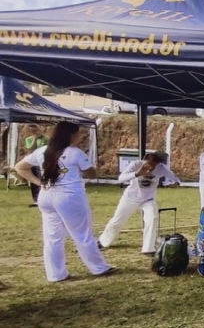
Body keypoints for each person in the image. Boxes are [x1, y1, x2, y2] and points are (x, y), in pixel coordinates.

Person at [14, 121, 117, 282]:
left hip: (47, 195)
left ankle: (55, 274)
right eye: (78, 134)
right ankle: (98, 267)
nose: (80, 137)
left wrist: (38, 182)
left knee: (52, 237)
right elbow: (91, 174)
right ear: (71, 135)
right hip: (69, 196)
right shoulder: (76, 153)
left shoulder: (43, 151)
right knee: (82, 234)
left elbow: (20, 167)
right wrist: (91, 167)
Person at [97, 153, 181, 255]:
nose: (151, 168)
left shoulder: (161, 168)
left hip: (148, 199)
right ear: (144, 161)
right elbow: (121, 178)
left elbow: (176, 179)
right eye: (149, 164)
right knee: (117, 220)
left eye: (153, 166)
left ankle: (148, 249)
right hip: (130, 198)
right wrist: (137, 173)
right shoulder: (135, 164)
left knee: (152, 218)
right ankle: (103, 242)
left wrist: (174, 184)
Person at [24, 124, 48, 207]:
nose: (34, 132)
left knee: (44, 178)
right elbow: (30, 149)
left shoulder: (46, 139)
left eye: (35, 130)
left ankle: (45, 197)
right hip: (34, 162)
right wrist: (34, 139)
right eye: (32, 131)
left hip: (43, 162)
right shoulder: (28, 139)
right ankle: (36, 199)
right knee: (34, 179)